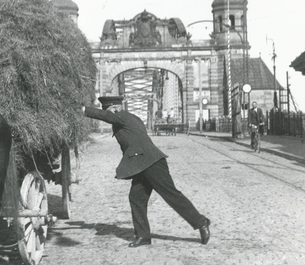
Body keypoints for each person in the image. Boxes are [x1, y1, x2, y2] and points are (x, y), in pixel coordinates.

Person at [83, 96, 210, 247]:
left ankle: (201, 222)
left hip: (152, 164)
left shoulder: (122, 116)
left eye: (108, 110)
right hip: (141, 165)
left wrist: (83, 110)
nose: (108, 114)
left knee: (171, 195)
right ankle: (143, 236)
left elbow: (106, 116)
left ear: (115, 108)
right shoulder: (130, 118)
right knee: (136, 198)